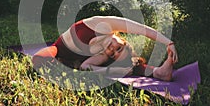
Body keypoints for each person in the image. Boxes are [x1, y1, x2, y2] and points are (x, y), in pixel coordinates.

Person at [32, 16, 178, 81]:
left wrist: (113, 70)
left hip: (72, 60)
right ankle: (157, 72)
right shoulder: (103, 24)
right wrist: (168, 42)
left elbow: (85, 66)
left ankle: (159, 73)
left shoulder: (103, 55)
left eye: (113, 54)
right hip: (58, 49)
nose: (112, 50)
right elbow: (142, 30)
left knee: (127, 66)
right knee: (38, 59)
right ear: (123, 40)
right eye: (119, 48)